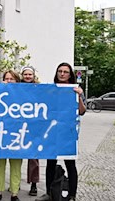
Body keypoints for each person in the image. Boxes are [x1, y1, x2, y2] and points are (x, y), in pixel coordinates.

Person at [35, 63, 86, 201]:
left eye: (65, 72)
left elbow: (82, 111)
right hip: (52, 131)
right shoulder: (51, 90)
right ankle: (49, 193)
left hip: (67, 133)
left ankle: (72, 195)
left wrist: (80, 96)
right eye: (60, 71)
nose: (62, 74)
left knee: (70, 164)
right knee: (50, 163)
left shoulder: (75, 90)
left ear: (70, 75)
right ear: (57, 73)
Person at [0, 70, 23, 201]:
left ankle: (14, 193)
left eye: (12, 79)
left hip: (17, 134)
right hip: (0, 134)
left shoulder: (22, 95)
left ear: (17, 81)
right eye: (6, 79)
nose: (9, 81)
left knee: (16, 165)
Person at [20, 66, 40, 196]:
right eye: (25, 74)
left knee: (33, 157)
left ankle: (34, 183)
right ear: (22, 75)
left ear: (33, 76)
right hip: (17, 124)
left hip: (33, 126)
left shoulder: (39, 89)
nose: (28, 76)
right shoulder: (17, 87)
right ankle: (14, 183)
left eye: (30, 74)